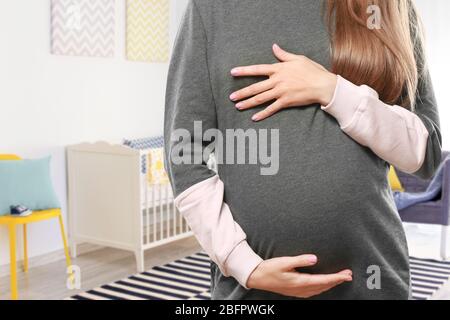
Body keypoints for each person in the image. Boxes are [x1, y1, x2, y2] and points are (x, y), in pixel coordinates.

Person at [164, 0, 442, 299]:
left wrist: (332, 90)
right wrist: (245, 265)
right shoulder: (210, 9)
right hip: (252, 293)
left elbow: (426, 154)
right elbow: (184, 154)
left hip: (372, 281)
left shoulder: (389, 7)